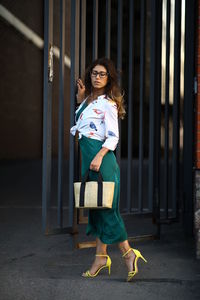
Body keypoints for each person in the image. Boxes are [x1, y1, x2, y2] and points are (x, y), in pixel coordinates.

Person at [70, 58, 147, 281]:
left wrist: (99, 156)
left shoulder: (108, 103)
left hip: (100, 158)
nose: (97, 77)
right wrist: (80, 100)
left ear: (109, 78)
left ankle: (128, 253)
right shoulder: (87, 101)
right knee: (97, 206)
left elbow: (113, 136)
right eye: (94, 73)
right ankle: (100, 257)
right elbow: (82, 125)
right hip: (89, 157)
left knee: (107, 209)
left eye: (102, 74)